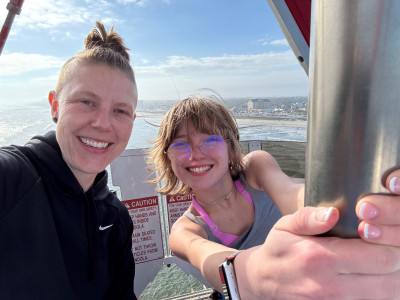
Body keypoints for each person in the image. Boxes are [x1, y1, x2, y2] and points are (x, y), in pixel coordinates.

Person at [147, 93, 400, 299]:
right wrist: (260, 275)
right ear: (168, 158)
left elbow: (295, 195)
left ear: (230, 145)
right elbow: (209, 260)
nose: (196, 154)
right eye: (181, 144)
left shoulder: (256, 169)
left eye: (210, 139)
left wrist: (348, 208)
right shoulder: (184, 232)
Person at [0, 22, 138, 299]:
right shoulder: (11, 179)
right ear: (55, 106)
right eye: (86, 101)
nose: (102, 123)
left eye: (120, 110)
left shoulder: (116, 219)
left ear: (133, 121)